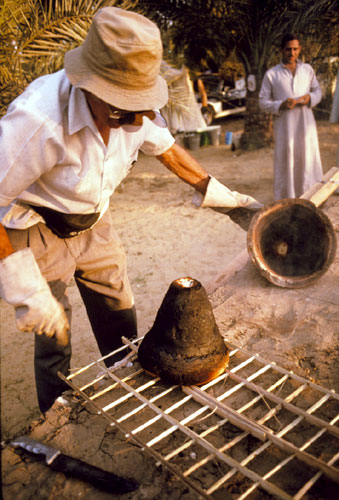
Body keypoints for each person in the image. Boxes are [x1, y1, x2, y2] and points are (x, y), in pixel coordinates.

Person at [0, 7, 262, 414]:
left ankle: (124, 396)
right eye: (123, 109)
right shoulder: (36, 121)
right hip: (38, 227)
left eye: (140, 108)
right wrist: (22, 284)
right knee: (54, 334)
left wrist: (229, 201)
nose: (134, 121)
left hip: (96, 222)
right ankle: (55, 419)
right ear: (89, 86)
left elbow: (168, 151)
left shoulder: (135, 111)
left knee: (120, 319)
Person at [259, 33, 323, 199]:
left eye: (295, 49)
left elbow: (318, 91)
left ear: (299, 49)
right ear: (282, 50)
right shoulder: (272, 74)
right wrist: (280, 104)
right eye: (288, 49)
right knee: (287, 161)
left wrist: (310, 98)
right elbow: (262, 101)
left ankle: (311, 198)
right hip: (285, 127)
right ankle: (287, 200)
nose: (292, 53)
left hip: (305, 124)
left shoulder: (307, 70)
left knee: (307, 158)